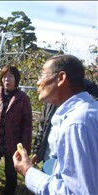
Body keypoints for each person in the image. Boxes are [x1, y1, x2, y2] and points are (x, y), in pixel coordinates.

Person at [13, 54, 98, 194]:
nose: (38, 82)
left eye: (42, 75)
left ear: (61, 78)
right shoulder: (89, 110)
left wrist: (28, 171)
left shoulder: (76, 123)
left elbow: (77, 192)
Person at [0, 65, 33, 195]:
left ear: (16, 79)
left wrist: (25, 147)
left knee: (10, 170)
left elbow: (27, 123)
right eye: (4, 77)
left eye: (10, 76)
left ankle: (9, 192)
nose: (7, 80)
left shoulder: (22, 98)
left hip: (13, 141)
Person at [32, 79, 98, 164]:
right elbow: (43, 124)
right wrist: (37, 150)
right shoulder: (52, 94)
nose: (39, 82)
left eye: (45, 74)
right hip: (49, 160)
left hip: (72, 162)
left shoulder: (88, 95)